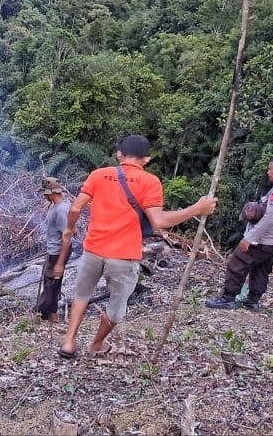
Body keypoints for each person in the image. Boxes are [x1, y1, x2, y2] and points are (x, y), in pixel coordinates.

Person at [55, 135, 217, 359]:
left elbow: (75, 208)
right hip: (123, 256)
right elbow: (158, 221)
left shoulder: (98, 175)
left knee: (81, 295)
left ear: (119, 154)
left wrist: (69, 230)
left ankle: (69, 343)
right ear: (147, 159)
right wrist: (197, 209)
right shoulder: (150, 182)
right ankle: (96, 344)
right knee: (116, 305)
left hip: (93, 249)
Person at [206, 154, 273, 311]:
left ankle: (228, 299)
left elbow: (270, 218)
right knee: (261, 268)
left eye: (270, 169)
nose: (268, 172)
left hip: (263, 239)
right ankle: (252, 301)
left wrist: (250, 238)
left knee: (237, 264)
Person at [34, 177, 71, 321]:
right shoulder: (63, 204)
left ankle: (41, 313)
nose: (44, 196)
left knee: (51, 285)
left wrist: (60, 263)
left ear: (51, 193)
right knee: (52, 283)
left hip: (57, 252)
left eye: (45, 193)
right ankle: (51, 315)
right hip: (54, 250)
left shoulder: (61, 210)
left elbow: (66, 238)